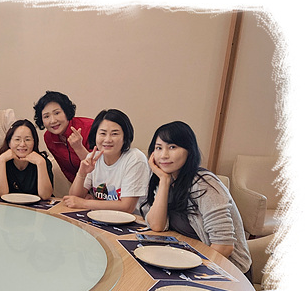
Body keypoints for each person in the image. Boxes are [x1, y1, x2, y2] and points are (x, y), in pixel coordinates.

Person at [140, 120, 252, 274]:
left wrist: (188, 269)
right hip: (188, 257)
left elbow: (224, 247)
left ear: (189, 150)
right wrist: (164, 181)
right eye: (159, 148)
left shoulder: (204, 184)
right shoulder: (166, 178)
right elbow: (157, 226)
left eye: (172, 147)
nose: (164, 155)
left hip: (225, 269)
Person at [63, 109, 149, 213]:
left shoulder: (135, 159)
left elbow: (127, 207)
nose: (108, 140)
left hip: (134, 219)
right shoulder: (93, 158)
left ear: (125, 137)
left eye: (114, 134)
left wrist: (84, 203)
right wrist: (81, 173)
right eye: (103, 133)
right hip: (102, 217)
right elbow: (74, 198)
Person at [32, 91, 94, 183]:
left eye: (57, 113)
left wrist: (79, 147)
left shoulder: (90, 127)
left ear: (66, 112)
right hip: (80, 184)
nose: (53, 121)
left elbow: (100, 167)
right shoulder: (48, 137)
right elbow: (66, 170)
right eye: (46, 116)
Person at [0, 119, 53, 200]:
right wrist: (1, 160)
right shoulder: (3, 161)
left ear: (34, 142)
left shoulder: (43, 161)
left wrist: (41, 163)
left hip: (36, 206)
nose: (22, 144)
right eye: (17, 139)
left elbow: (45, 196)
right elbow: (2, 194)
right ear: (9, 142)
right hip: (12, 206)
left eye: (27, 140)